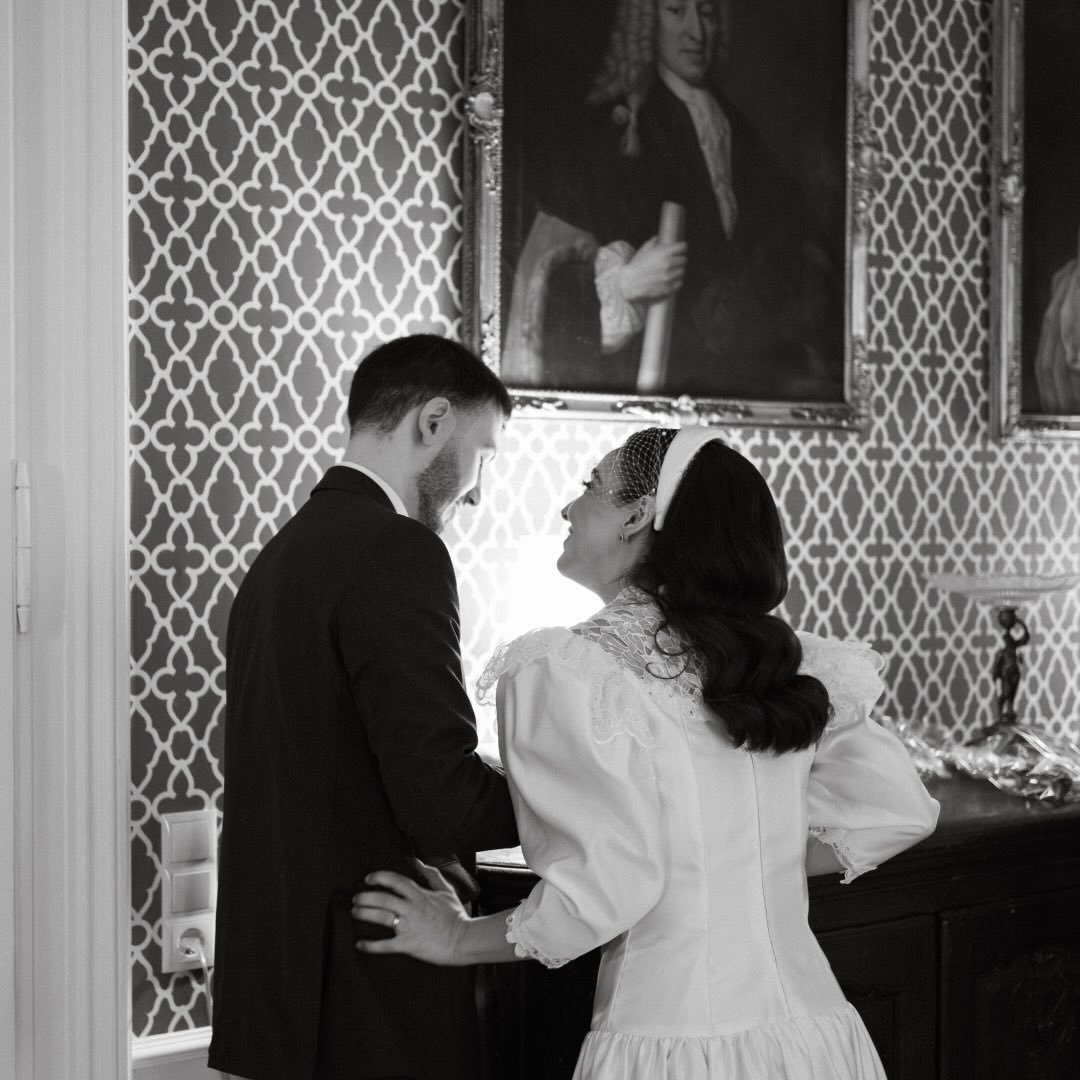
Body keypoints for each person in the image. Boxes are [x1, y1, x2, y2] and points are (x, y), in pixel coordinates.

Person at [351, 426, 940, 1079]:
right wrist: (741, 861)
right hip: (816, 1041)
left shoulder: (572, 670)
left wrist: (459, 936)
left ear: (637, 515)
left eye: (589, 488)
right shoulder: (784, 665)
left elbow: (607, 889)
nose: (568, 509)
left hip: (672, 1047)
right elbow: (897, 809)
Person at [208, 335, 520, 1080]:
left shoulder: (280, 557)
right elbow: (438, 802)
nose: (478, 492)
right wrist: (572, 792)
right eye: (483, 455)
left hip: (277, 992)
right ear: (433, 421)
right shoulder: (397, 550)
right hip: (369, 987)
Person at [503, 0, 842, 401]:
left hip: (732, 388)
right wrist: (627, 284)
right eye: (676, 11)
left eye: (707, 13)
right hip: (637, 389)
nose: (696, 32)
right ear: (647, 19)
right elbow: (548, 270)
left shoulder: (737, 128)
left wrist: (757, 300)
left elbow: (790, 240)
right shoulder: (614, 129)